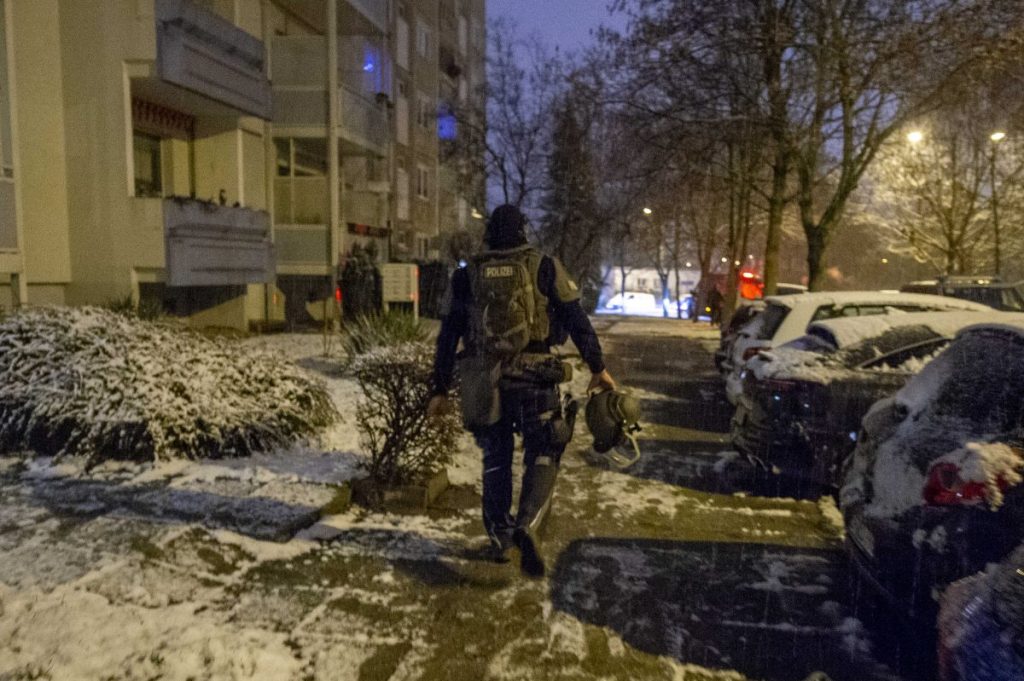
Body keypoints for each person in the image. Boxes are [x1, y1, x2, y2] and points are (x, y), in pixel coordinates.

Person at [427, 204, 616, 578]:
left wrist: (439, 388)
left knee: (495, 455)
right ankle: (528, 524)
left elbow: (447, 335)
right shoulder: (544, 266)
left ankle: (500, 535)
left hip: (484, 379)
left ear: (489, 234)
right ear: (523, 232)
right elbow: (576, 319)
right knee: (545, 448)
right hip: (535, 376)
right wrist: (598, 366)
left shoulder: (467, 276)